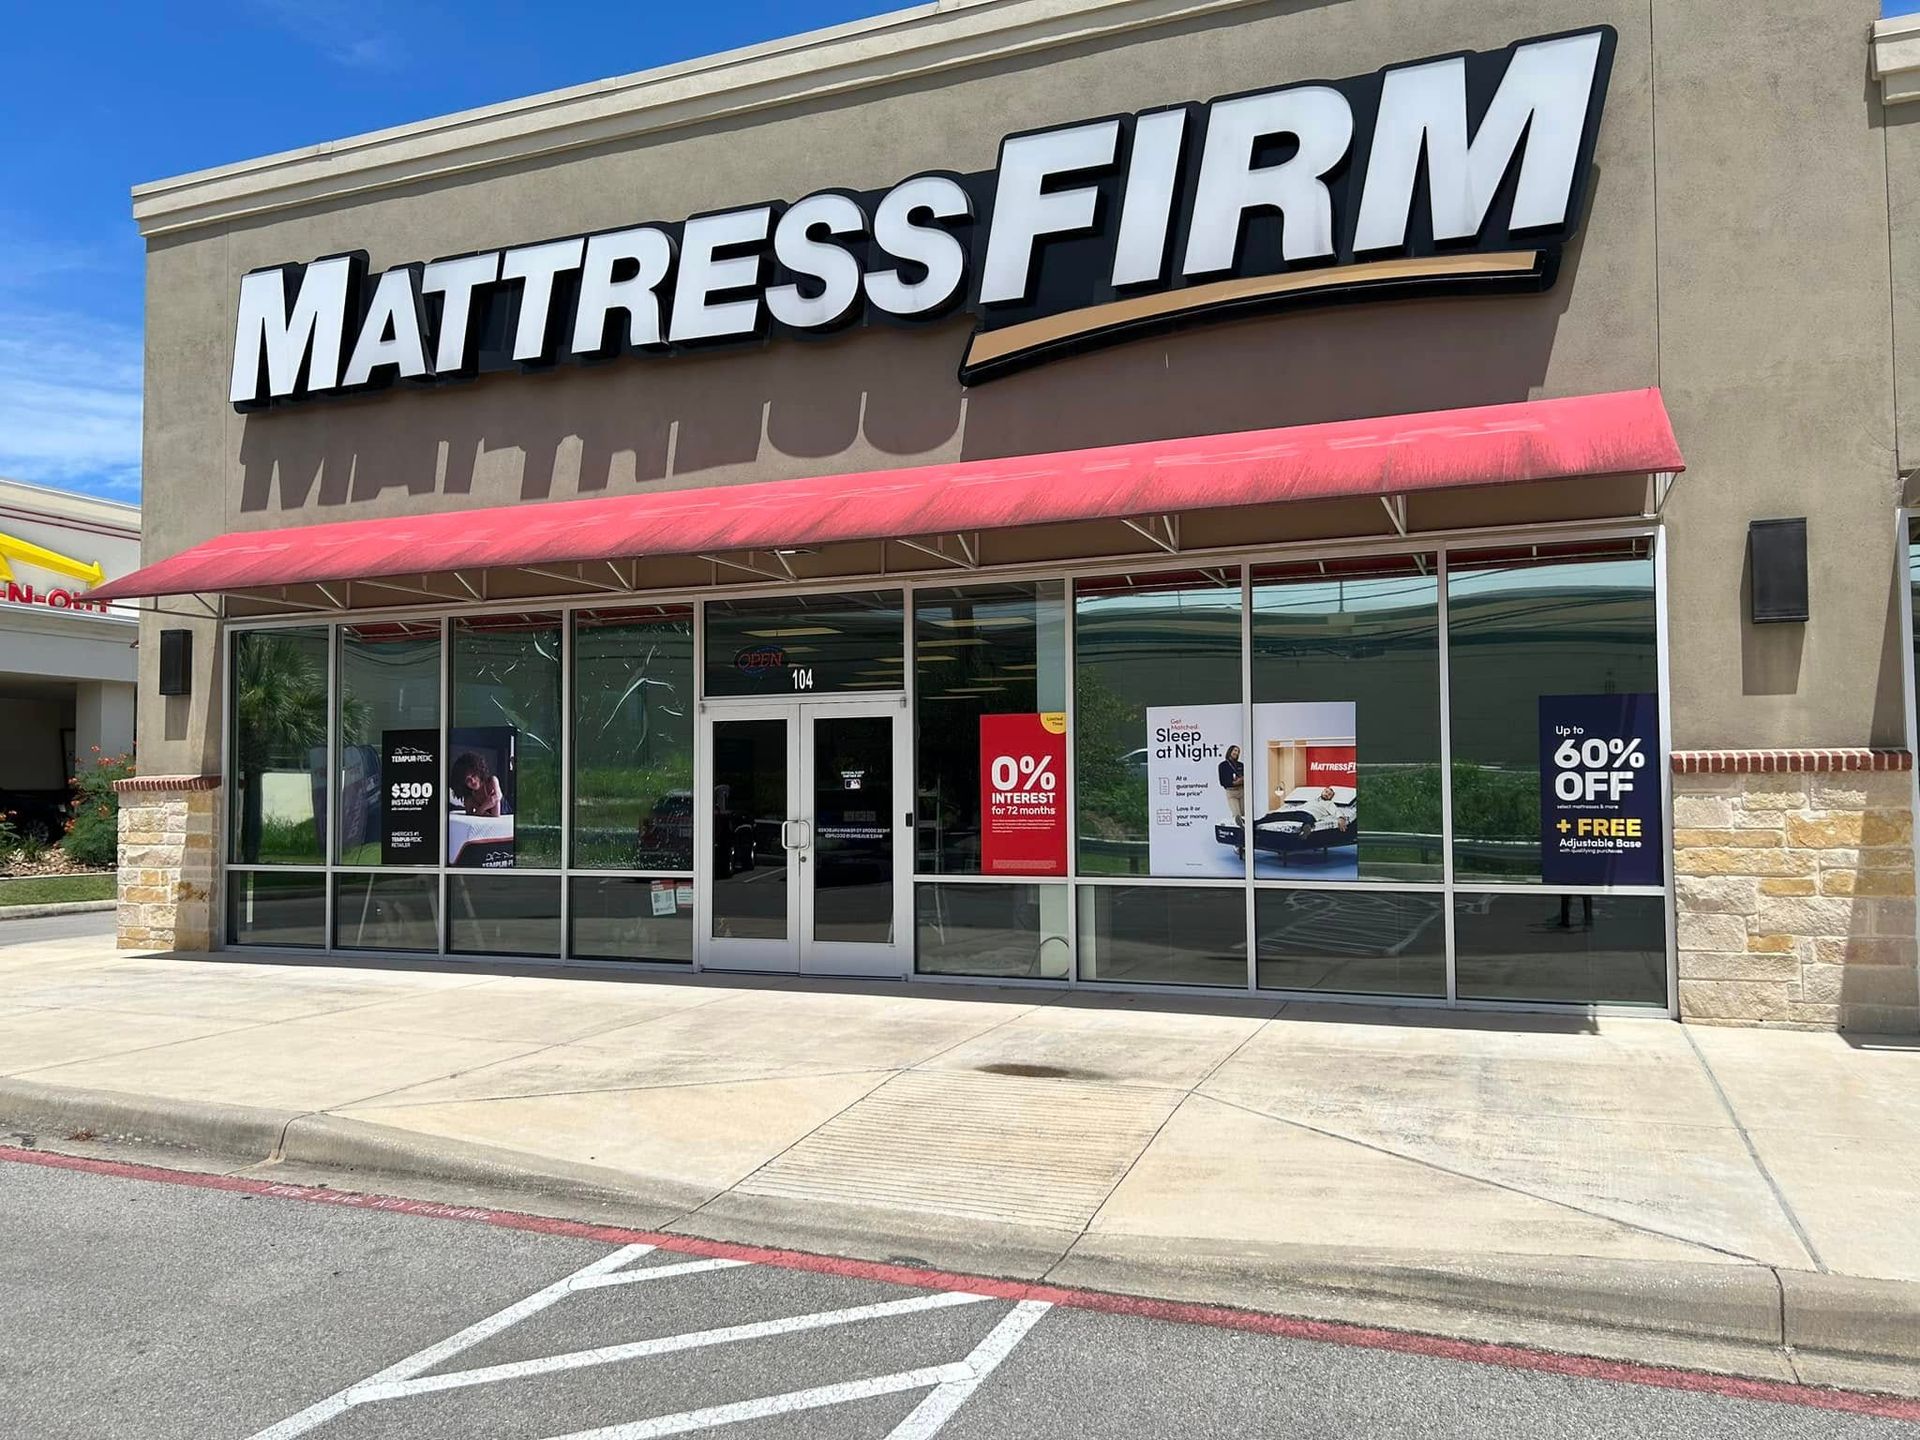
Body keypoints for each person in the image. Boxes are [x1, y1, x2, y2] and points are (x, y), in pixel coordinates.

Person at [452, 751, 504, 817]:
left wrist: (480, 810)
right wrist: (481, 809)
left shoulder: (491, 781)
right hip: (486, 810)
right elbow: (469, 815)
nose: (472, 781)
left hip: (504, 810)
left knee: (495, 798)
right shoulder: (470, 797)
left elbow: (496, 809)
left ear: (479, 772)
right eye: (468, 780)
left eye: (473, 775)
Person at [1219, 745, 1245, 825]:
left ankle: (1245, 833)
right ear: (1230, 751)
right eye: (1234, 750)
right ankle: (1238, 832)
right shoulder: (1223, 765)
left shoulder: (1241, 765)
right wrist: (1233, 783)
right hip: (1231, 792)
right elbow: (1222, 782)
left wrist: (1242, 780)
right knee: (1237, 815)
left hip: (1242, 790)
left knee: (1244, 814)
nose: (1236, 753)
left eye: (1238, 751)